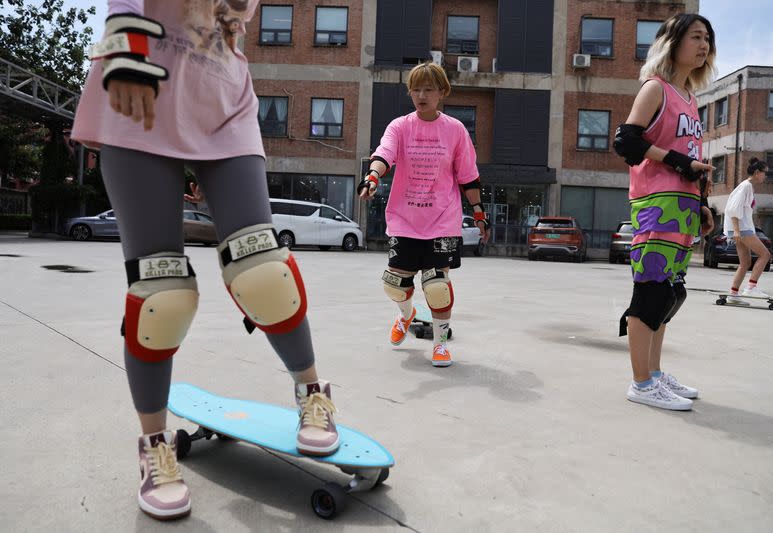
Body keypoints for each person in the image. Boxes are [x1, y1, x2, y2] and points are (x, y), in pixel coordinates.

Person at [71, 1, 339, 520]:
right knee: (160, 292)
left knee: (262, 269)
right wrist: (124, 45)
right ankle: (154, 445)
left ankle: (313, 392)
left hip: (222, 98)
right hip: (140, 81)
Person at [613, 13, 717, 411]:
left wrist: (703, 204)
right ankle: (640, 383)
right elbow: (626, 140)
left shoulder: (690, 99)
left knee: (671, 294)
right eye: (695, 36)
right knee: (651, 291)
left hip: (684, 206)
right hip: (657, 205)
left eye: (707, 38)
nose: (704, 44)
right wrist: (676, 162)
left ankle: (654, 374)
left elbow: (693, 158)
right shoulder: (655, 89)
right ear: (673, 42)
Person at [359, 62, 488, 367]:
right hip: (405, 220)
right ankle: (407, 315)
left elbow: (468, 176)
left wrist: (479, 214)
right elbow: (384, 153)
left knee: (436, 287)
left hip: (442, 221)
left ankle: (440, 344)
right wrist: (372, 177)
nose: (421, 94)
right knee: (394, 284)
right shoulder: (400, 126)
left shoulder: (455, 130)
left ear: (442, 92)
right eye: (415, 89)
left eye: (428, 89)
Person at [723, 157, 772, 303]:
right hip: (741, 229)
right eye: (765, 173)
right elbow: (733, 209)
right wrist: (737, 231)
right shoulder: (746, 186)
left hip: (741, 228)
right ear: (757, 172)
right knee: (765, 254)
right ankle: (751, 288)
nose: (766, 176)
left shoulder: (747, 186)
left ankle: (733, 294)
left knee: (745, 262)